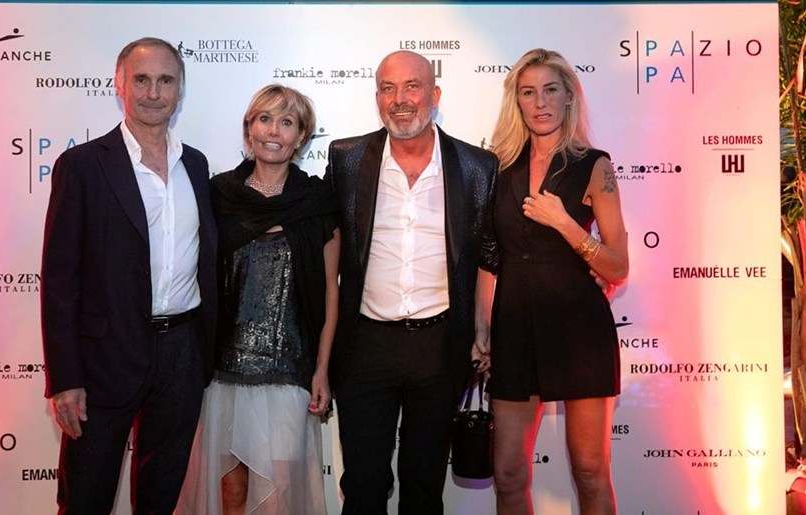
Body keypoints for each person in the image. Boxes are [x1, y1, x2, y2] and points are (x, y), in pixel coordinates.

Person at [40, 37, 217, 514]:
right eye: (141, 80)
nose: (154, 93)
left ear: (180, 90)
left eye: (166, 81)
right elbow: (59, 280)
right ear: (119, 85)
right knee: (86, 497)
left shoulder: (196, 164)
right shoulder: (82, 166)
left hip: (182, 352)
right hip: (104, 356)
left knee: (161, 496)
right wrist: (65, 377)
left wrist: (201, 354)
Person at [325, 50, 498, 514]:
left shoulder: (477, 166)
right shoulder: (347, 159)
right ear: (377, 97)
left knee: (424, 488)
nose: (399, 99)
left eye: (412, 86)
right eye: (388, 88)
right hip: (365, 346)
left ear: (434, 95)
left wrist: (482, 330)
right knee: (363, 486)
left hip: (441, 347)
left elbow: (489, 254)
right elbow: (320, 236)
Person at [177, 84, 340, 515]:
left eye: (287, 122)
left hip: (289, 372)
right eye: (264, 119)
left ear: (301, 137)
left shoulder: (317, 201)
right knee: (230, 492)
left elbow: (329, 290)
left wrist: (323, 370)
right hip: (224, 372)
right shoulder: (218, 196)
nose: (273, 131)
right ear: (249, 128)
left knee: (278, 497)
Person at [479, 48, 628, 515]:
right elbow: (488, 257)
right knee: (507, 473)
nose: (540, 102)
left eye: (550, 90)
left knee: (589, 469)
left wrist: (565, 223)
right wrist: (481, 328)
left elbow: (618, 266)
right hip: (513, 327)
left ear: (569, 97)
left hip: (579, 329)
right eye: (529, 92)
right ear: (517, 101)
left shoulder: (594, 166)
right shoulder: (495, 166)